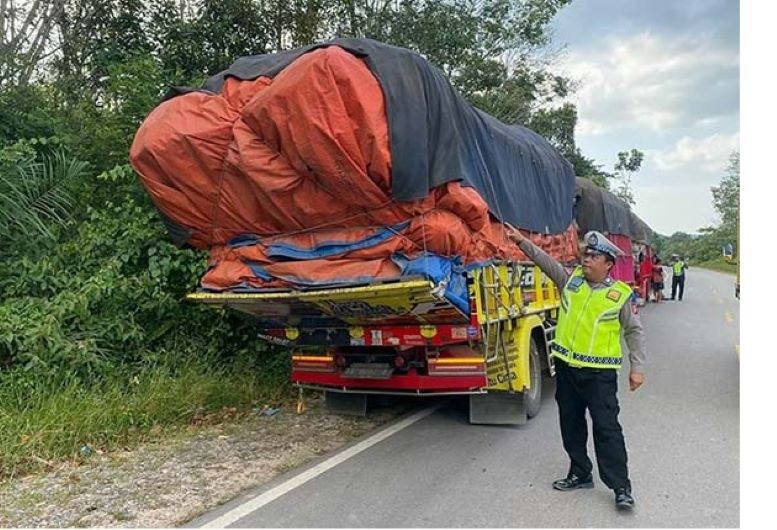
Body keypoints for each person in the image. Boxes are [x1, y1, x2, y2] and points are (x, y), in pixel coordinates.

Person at [506, 225, 646, 511]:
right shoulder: (570, 282)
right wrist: (522, 242)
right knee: (571, 423)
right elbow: (546, 262)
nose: (587, 259)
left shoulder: (619, 295)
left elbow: (634, 331)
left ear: (608, 264)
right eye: (586, 254)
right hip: (568, 370)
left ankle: (621, 486)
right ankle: (580, 472)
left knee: (607, 429)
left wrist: (637, 367)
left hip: (600, 376)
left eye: (594, 256)